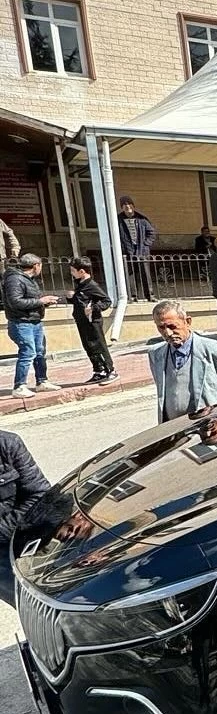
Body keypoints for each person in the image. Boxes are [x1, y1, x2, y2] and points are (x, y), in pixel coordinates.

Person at [148, 299, 217, 423]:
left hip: (210, 426)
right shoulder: (156, 354)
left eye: (172, 326)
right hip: (174, 429)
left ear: (187, 322)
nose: (167, 333)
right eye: (161, 327)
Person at [0, 429, 51, 606]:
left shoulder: (8, 443)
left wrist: (2, 531)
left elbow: (40, 494)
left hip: (16, 543)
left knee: (36, 606)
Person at [2, 254, 60, 398]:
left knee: (40, 352)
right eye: (41, 265)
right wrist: (41, 301)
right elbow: (15, 302)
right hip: (21, 323)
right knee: (28, 353)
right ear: (36, 266)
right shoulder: (14, 279)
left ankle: (42, 382)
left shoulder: (29, 279)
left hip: (34, 321)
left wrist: (44, 302)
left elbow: (30, 299)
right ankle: (19, 386)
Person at [68, 256, 116, 384]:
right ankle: (98, 370)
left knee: (98, 345)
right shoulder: (80, 285)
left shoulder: (91, 285)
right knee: (89, 346)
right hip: (82, 321)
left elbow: (106, 301)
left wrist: (94, 308)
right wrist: (71, 297)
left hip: (92, 321)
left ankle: (110, 370)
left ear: (82, 271)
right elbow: (81, 301)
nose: (71, 273)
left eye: (73, 271)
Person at [117, 196, 156, 301]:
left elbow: (151, 233)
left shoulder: (142, 219)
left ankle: (150, 295)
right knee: (130, 274)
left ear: (133, 206)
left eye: (129, 204)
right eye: (125, 205)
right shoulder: (118, 220)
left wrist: (145, 244)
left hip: (142, 251)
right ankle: (133, 296)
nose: (127, 207)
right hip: (127, 251)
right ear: (122, 207)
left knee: (145, 274)